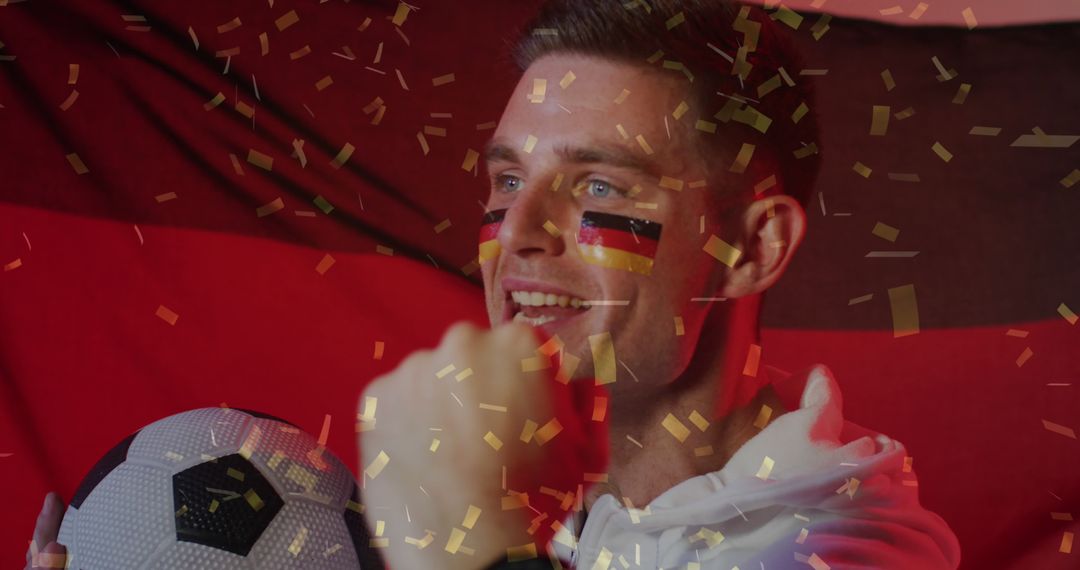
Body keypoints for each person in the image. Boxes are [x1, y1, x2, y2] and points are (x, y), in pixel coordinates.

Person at [26, 1, 961, 568]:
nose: (514, 234)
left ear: (750, 249)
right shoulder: (546, 504)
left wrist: (478, 550)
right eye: (508, 181)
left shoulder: (840, 548)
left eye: (598, 186)